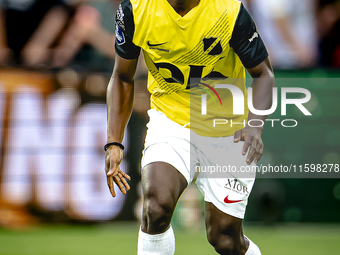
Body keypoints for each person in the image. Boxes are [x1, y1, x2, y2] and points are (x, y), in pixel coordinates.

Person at [105, 0, 275, 254]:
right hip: (171, 120)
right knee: (155, 207)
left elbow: (264, 74)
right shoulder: (136, 9)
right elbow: (122, 76)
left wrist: (254, 126)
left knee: (224, 238)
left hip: (227, 129)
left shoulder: (228, 10)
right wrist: (114, 142)